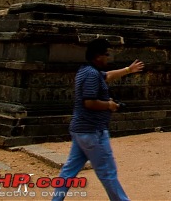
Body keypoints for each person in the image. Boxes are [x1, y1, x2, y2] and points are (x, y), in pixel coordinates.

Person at [52, 39, 144, 200]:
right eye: (106, 54)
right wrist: (109, 105)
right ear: (97, 56)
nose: (108, 58)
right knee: (107, 172)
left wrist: (129, 69)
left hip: (81, 130)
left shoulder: (86, 70)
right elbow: (89, 102)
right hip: (92, 131)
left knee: (69, 170)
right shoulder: (92, 75)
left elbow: (107, 76)